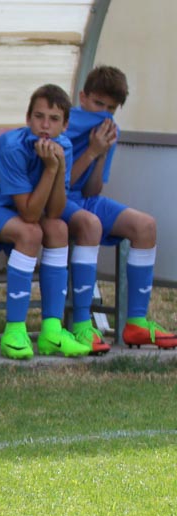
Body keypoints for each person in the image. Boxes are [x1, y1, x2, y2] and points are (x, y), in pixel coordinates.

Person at [0, 84, 91, 359]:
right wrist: (51, 169)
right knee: (30, 233)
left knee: (58, 228)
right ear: (27, 118)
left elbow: (55, 212)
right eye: (39, 116)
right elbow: (30, 215)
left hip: (6, 207)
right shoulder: (13, 147)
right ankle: (14, 332)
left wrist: (58, 168)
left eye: (54, 119)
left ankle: (52, 331)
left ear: (65, 125)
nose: (45, 125)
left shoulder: (64, 147)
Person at [64, 65, 177, 351]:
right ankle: (82, 324)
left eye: (111, 108)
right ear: (82, 97)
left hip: (84, 199)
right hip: (56, 201)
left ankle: (136, 323)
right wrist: (91, 151)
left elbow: (92, 190)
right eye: (98, 104)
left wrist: (100, 154)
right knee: (90, 224)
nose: (104, 114)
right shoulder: (64, 125)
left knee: (145, 226)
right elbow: (61, 186)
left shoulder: (108, 132)